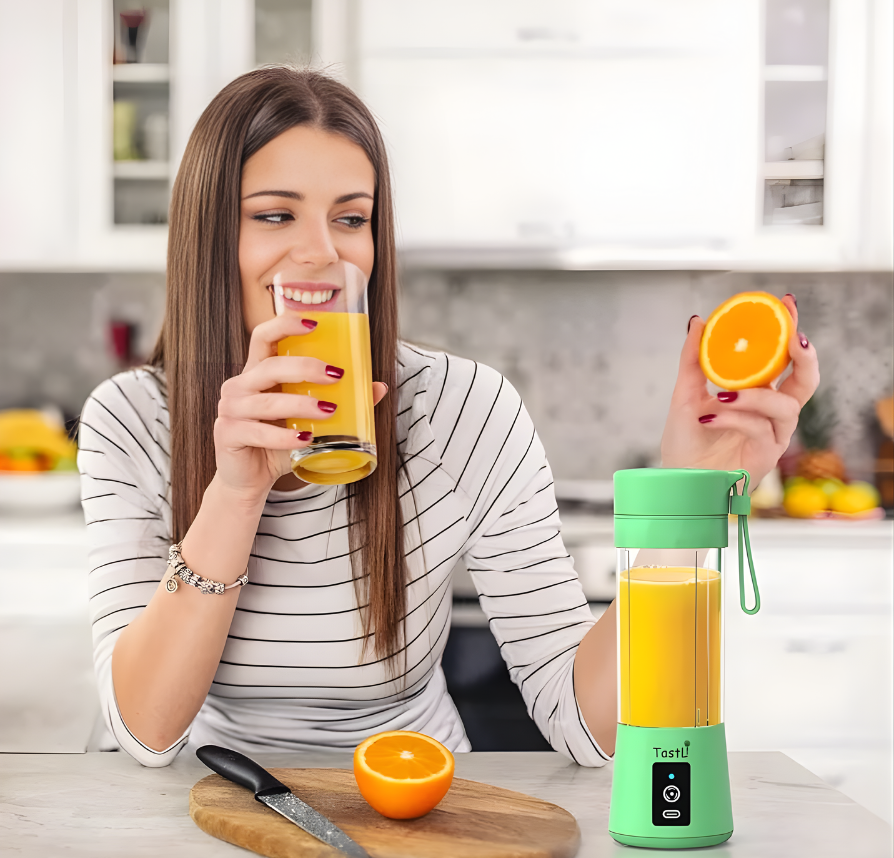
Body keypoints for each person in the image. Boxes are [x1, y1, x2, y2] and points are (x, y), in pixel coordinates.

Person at [78, 67, 819, 768]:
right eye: (274, 215)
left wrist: (683, 501)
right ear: (207, 238)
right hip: (211, 801)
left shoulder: (465, 410)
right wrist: (235, 494)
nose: (323, 252)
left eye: (352, 219)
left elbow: (589, 729)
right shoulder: (131, 421)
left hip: (417, 801)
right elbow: (144, 735)